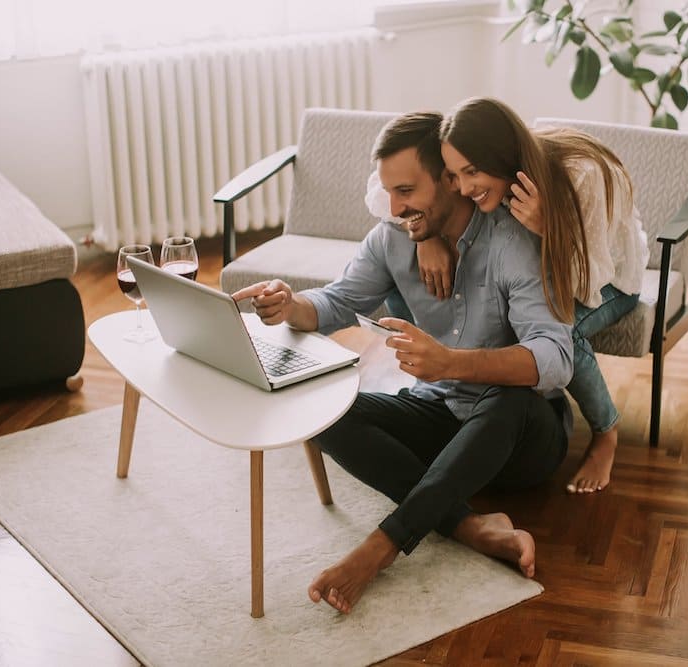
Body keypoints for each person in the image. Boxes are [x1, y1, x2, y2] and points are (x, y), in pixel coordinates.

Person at [232, 111, 574, 615]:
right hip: (443, 415)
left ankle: (380, 549)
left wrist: (452, 362)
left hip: (522, 439)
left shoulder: (511, 242)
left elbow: (557, 358)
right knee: (319, 407)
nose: (395, 207)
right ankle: (468, 524)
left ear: (452, 182)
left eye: (407, 191)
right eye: (389, 192)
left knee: (510, 399)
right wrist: (291, 305)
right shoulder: (395, 236)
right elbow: (338, 301)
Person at [427, 97, 650, 496]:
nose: (463, 187)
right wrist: (427, 238)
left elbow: (590, 282)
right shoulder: (499, 179)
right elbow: (383, 189)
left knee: (566, 334)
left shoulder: (584, 176)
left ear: (498, 154)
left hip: (609, 281)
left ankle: (606, 432)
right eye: (455, 174)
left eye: (472, 171)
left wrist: (551, 230)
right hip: (551, 277)